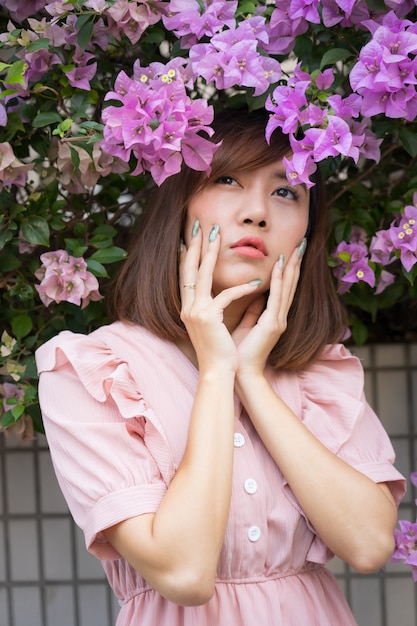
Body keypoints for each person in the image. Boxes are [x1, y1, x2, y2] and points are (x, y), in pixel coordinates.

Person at [36, 108, 405, 626]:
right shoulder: (92, 369)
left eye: (285, 192)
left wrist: (251, 378)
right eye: (227, 179)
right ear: (180, 205)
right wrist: (215, 372)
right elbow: (184, 574)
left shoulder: (319, 368)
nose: (256, 213)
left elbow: (368, 545)